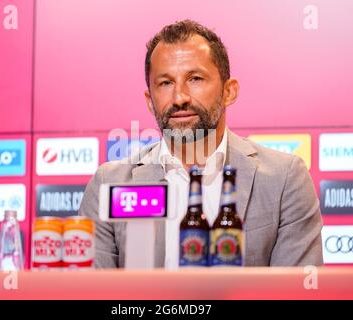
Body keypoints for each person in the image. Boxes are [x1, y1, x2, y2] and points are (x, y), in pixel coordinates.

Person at [79, 19, 323, 268]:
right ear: (150, 100)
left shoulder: (283, 179)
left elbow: (296, 292)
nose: (180, 97)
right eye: (165, 83)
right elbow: (94, 293)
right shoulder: (110, 183)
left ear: (229, 91)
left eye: (195, 79)